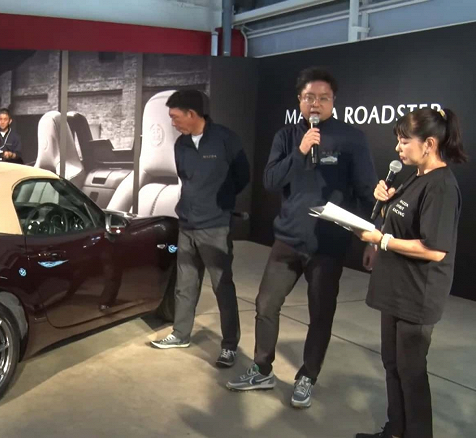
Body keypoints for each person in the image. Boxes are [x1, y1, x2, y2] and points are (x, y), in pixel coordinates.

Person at [227, 67, 378, 408]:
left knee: (320, 313)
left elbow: (367, 190)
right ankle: (262, 369)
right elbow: (270, 181)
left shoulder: (352, 138)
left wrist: (371, 239)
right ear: (299, 100)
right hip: (287, 240)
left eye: (323, 98)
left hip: (328, 244)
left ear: (333, 101)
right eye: (309, 97)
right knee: (266, 304)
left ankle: (308, 375)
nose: (316, 103)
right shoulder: (286, 136)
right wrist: (299, 151)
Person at [354, 108, 466, 438]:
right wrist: (386, 204)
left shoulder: (441, 187)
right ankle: (395, 430)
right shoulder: (416, 176)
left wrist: (382, 240)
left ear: (429, 144)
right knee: (393, 364)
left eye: (404, 141)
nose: (398, 148)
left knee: (411, 373)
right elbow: (404, 223)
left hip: (417, 295)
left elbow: (435, 249)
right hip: (396, 289)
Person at [150, 90, 250, 369]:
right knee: (185, 285)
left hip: (215, 227)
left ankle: (229, 346)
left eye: (175, 117)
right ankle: (180, 334)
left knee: (222, 287)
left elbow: (242, 176)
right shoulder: (181, 145)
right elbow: (185, 178)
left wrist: (220, 202)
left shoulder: (226, 139)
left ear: (192, 114)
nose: (172, 123)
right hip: (187, 225)